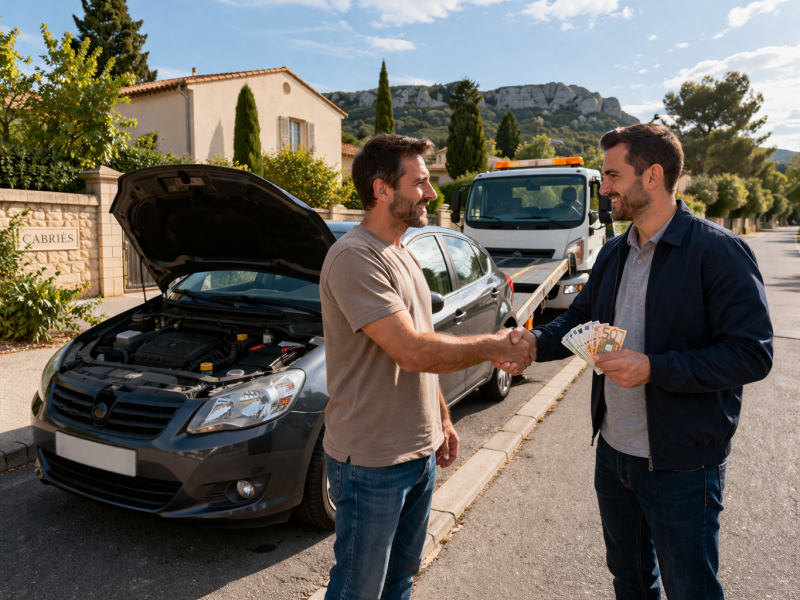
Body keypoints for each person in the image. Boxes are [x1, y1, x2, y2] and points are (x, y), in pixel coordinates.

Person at [503, 123, 773, 599]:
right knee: (629, 582)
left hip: (682, 465)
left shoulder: (720, 252)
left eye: (611, 175)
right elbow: (581, 319)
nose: (603, 187)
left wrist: (654, 368)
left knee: (691, 589)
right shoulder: (613, 253)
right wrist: (532, 344)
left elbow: (753, 353)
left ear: (652, 176)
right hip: (614, 455)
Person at [319, 134, 532, 600]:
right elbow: (411, 350)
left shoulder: (404, 253)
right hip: (372, 460)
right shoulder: (355, 257)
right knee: (359, 589)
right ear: (381, 189)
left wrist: (443, 418)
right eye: (419, 183)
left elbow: (422, 349)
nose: (431, 193)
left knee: (399, 580)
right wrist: (494, 344)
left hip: (418, 453)